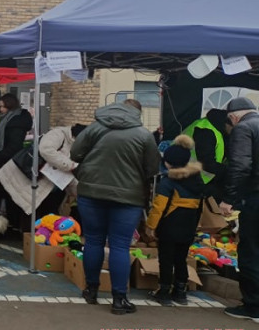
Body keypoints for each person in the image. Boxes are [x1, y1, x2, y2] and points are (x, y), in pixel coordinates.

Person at [70, 99, 160, 315]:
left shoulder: (94, 128)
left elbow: (74, 154)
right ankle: (119, 300)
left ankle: (91, 290)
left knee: (93, 240)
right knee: (119, 246)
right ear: (137, 114)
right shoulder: (144, 135)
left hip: (91, 192)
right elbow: (152, 169)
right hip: (128, 198)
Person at [144, 135, 204, 306]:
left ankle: (164, 292)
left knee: (166, 260)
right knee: (181, 259)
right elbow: (200, 208)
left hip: (169, 227)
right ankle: (180, 292)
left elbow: (158, 207)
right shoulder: (197, 181)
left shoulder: (168, 182)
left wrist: (150, 226)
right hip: (188, 228)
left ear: (169, 163)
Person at [219, 97, 259, 323]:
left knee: (250, 251)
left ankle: (253, 306)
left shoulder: (244, 128)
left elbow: (240, 166)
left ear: (233, 117)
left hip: (255, 198)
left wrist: (229, 199)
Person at [0, 93, 33, 226]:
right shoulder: (4, 119)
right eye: (0, 106)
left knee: (6, 194)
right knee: (1, 193)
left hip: (7, 162)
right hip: (1, 161)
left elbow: (14, 146)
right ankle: (5, 222)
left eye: (4, 107)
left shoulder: (15, 122)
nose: (1, 109)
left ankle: (10, 223)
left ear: (11, 106)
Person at [183, 108, 230, 199]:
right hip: (188, 173)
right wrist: (231, 171)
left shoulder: (221, 129)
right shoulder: (205, 131)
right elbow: (207, 163)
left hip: (204, 173)